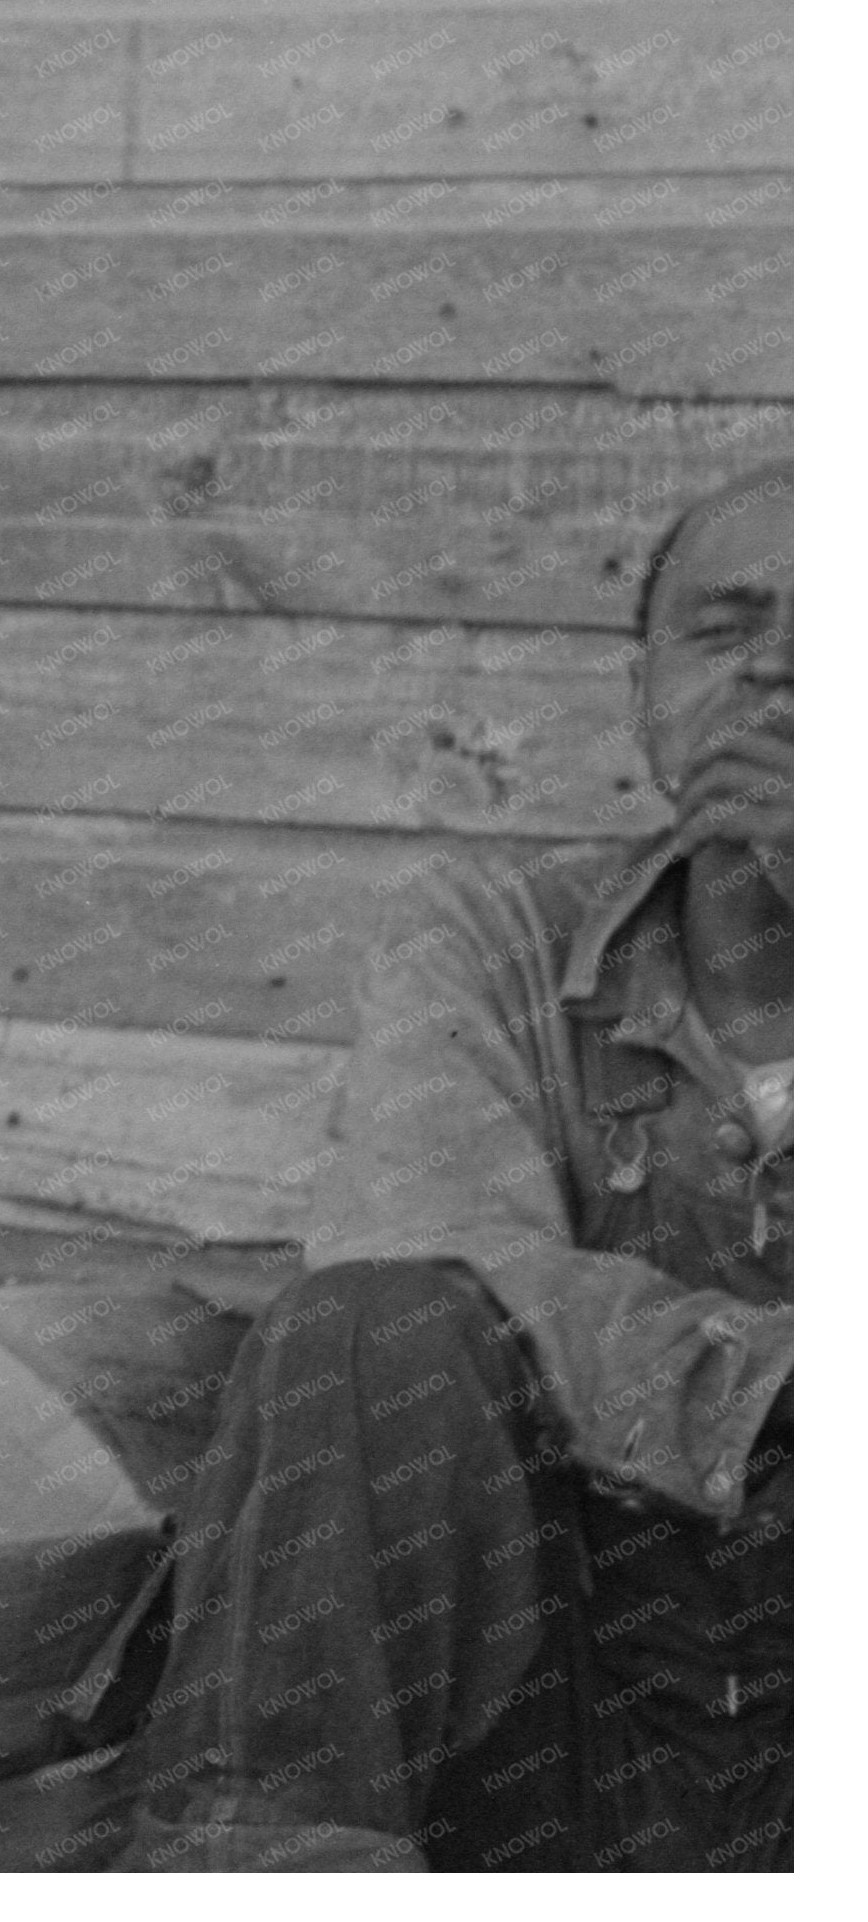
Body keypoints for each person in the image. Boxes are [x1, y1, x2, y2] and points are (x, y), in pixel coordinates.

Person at [119, 464, 793, 1870]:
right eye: (727, 630)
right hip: (571, 1691)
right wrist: (759, 1383)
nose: (780, 672)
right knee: (365, 1332)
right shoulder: (492, 931)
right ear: (643, 694)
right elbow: (425, 1260)